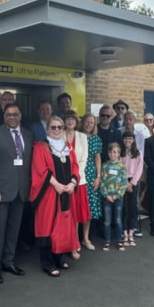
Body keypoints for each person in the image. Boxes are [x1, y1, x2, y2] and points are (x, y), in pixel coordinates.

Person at [0, 104, 33, 284]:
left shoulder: (28, 134)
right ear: (4, 116)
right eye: (9, 114)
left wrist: (29, 189)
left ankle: (9, 261)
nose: (12, 117)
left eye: (16, 114)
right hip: (1, 191)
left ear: (20, 116)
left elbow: (29, 164)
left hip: (21, 190)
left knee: (14, 229)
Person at [30, 116, 80, 276]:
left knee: (63, 225)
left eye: (60, 127)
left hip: (66, 193)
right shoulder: (41, 147)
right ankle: (47, 263)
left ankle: (59, 257)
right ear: (47, 129)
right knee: (47, 225)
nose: (57, 130)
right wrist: (57, 185)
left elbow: (75, 166)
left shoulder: (67, 147)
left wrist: (72, 182)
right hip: (49, 195)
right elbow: (40, 169)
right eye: (53, 127)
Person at [63, 109, 89, 260]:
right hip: (61, 182)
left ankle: (75, 242)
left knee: (76, 214)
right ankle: (64, 242)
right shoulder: (57, 135)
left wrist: (74, 178)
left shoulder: (82, 137)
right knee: (64, 214)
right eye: (67, 119)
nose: (70, 121)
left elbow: (83, 160)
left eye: (73, 119)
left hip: (79, 181)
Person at [100, 143, 128, 251]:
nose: (113, 154)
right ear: (108, 153)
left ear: (119, 154)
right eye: (111, 152)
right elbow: (102, 181)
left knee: (118, 220)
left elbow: (124, 183)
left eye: (115, 152)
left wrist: (117, 195)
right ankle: (107, 241)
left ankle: (119, 241)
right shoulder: (105, 166)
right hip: (107, 198)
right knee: (107, 220)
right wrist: (106, 195)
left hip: (118, 198)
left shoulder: (121, 167)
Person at [79, 113, 102, 250]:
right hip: (78, 173)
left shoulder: (96, 139)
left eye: (92, 123)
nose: (89, 124)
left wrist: (98, 176)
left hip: (91, 174)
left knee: (89, 208)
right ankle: (74, 239)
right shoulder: (76, 136)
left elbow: (97, 158)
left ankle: (85, 238)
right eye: (87, 122)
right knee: (78, 206)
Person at [120, 131, 143, 247]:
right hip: (123, 182)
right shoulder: (120, 152)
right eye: (126, 138)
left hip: (134, 182)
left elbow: (139, 169)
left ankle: (131, 233)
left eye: (130, 138)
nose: (127, 141)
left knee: (133, 207)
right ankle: (124, 233)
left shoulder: (138, 153)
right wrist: (125, 183)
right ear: (123, 139)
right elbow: (119, 167)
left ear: (133, 140)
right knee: (124, 207)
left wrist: (132, 183)